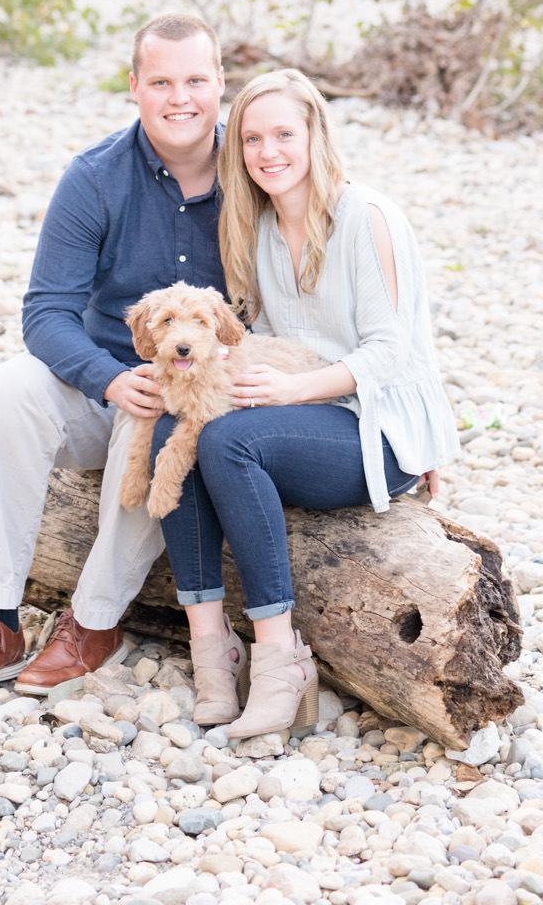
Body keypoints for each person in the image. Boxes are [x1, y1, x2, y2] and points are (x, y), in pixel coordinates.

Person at [150, 68, 457, 736]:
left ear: (315, 134)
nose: (268, 152)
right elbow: (266, 338)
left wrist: (289, 392)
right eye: (253, 138)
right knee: (174, 429)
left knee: (229, 441)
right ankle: (212, 648)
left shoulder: (366, 217)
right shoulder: (258, 228)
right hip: (303, 414)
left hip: (375, 425)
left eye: (284, 133)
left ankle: (279, 657)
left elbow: (390, 352)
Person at [0, 13, 226, 699]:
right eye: (160, 81)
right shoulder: (94, 178)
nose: (178, 97)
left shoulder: (253, 174)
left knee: (154, 426)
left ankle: (93, 622)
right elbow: (45, 313)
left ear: (220, 83)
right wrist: (109, 377)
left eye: (193, 80)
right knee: (6, 392)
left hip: (194, 393)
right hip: (98, 379)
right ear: (133, 87)